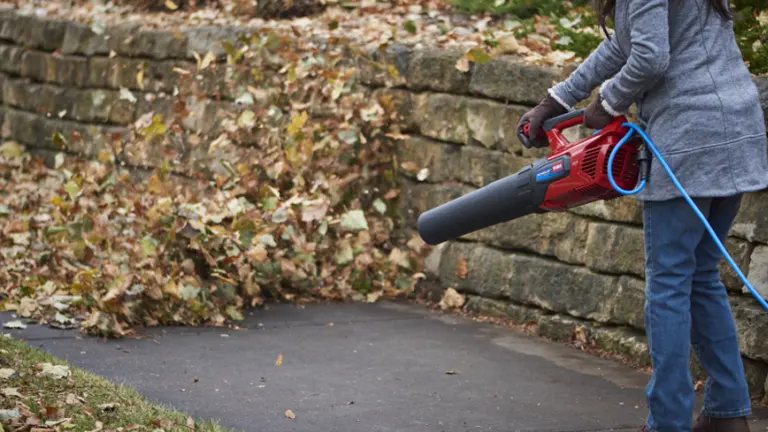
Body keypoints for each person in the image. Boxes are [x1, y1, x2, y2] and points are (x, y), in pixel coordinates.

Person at [517, 0, 768, 431]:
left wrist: (609, 103)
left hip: (688, 136)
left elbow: (651, 57)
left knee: (669, 283)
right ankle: (729, 412)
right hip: (737, 132)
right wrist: (555, 100)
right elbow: (626, 45)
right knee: (701, 275)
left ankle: (668, 421)